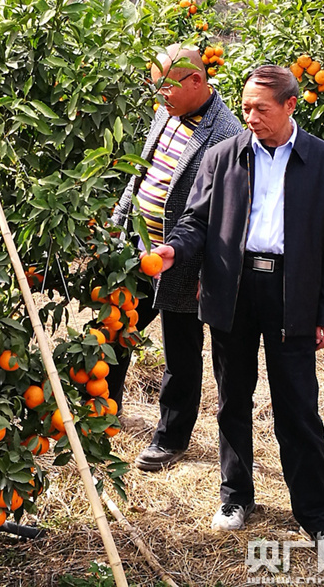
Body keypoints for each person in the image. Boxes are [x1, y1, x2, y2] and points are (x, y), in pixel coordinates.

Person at [154, 64, 324, 540]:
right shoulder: (223, 156)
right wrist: (174, 249)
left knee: (298, 407)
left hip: (292, 292)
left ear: (290, 106)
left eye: (261, 109)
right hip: (232, 289)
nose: (251, 117)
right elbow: (196, 221)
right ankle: (235, 495)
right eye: (244, 108)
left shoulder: (323, 161)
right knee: (232, 401)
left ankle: (317, 515)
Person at [108, 43, 242, 470]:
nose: (159, 95)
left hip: (185, 261)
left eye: (165, 86)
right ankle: (104, 412)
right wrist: (118, 220)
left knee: (180, 349)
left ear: (197, 81)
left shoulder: (225, 134)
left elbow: (226, 213)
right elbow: (141, 172)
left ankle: (171, 437)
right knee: (116, 330)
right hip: (140, 252)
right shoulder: (166, 111)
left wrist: (208, 269)